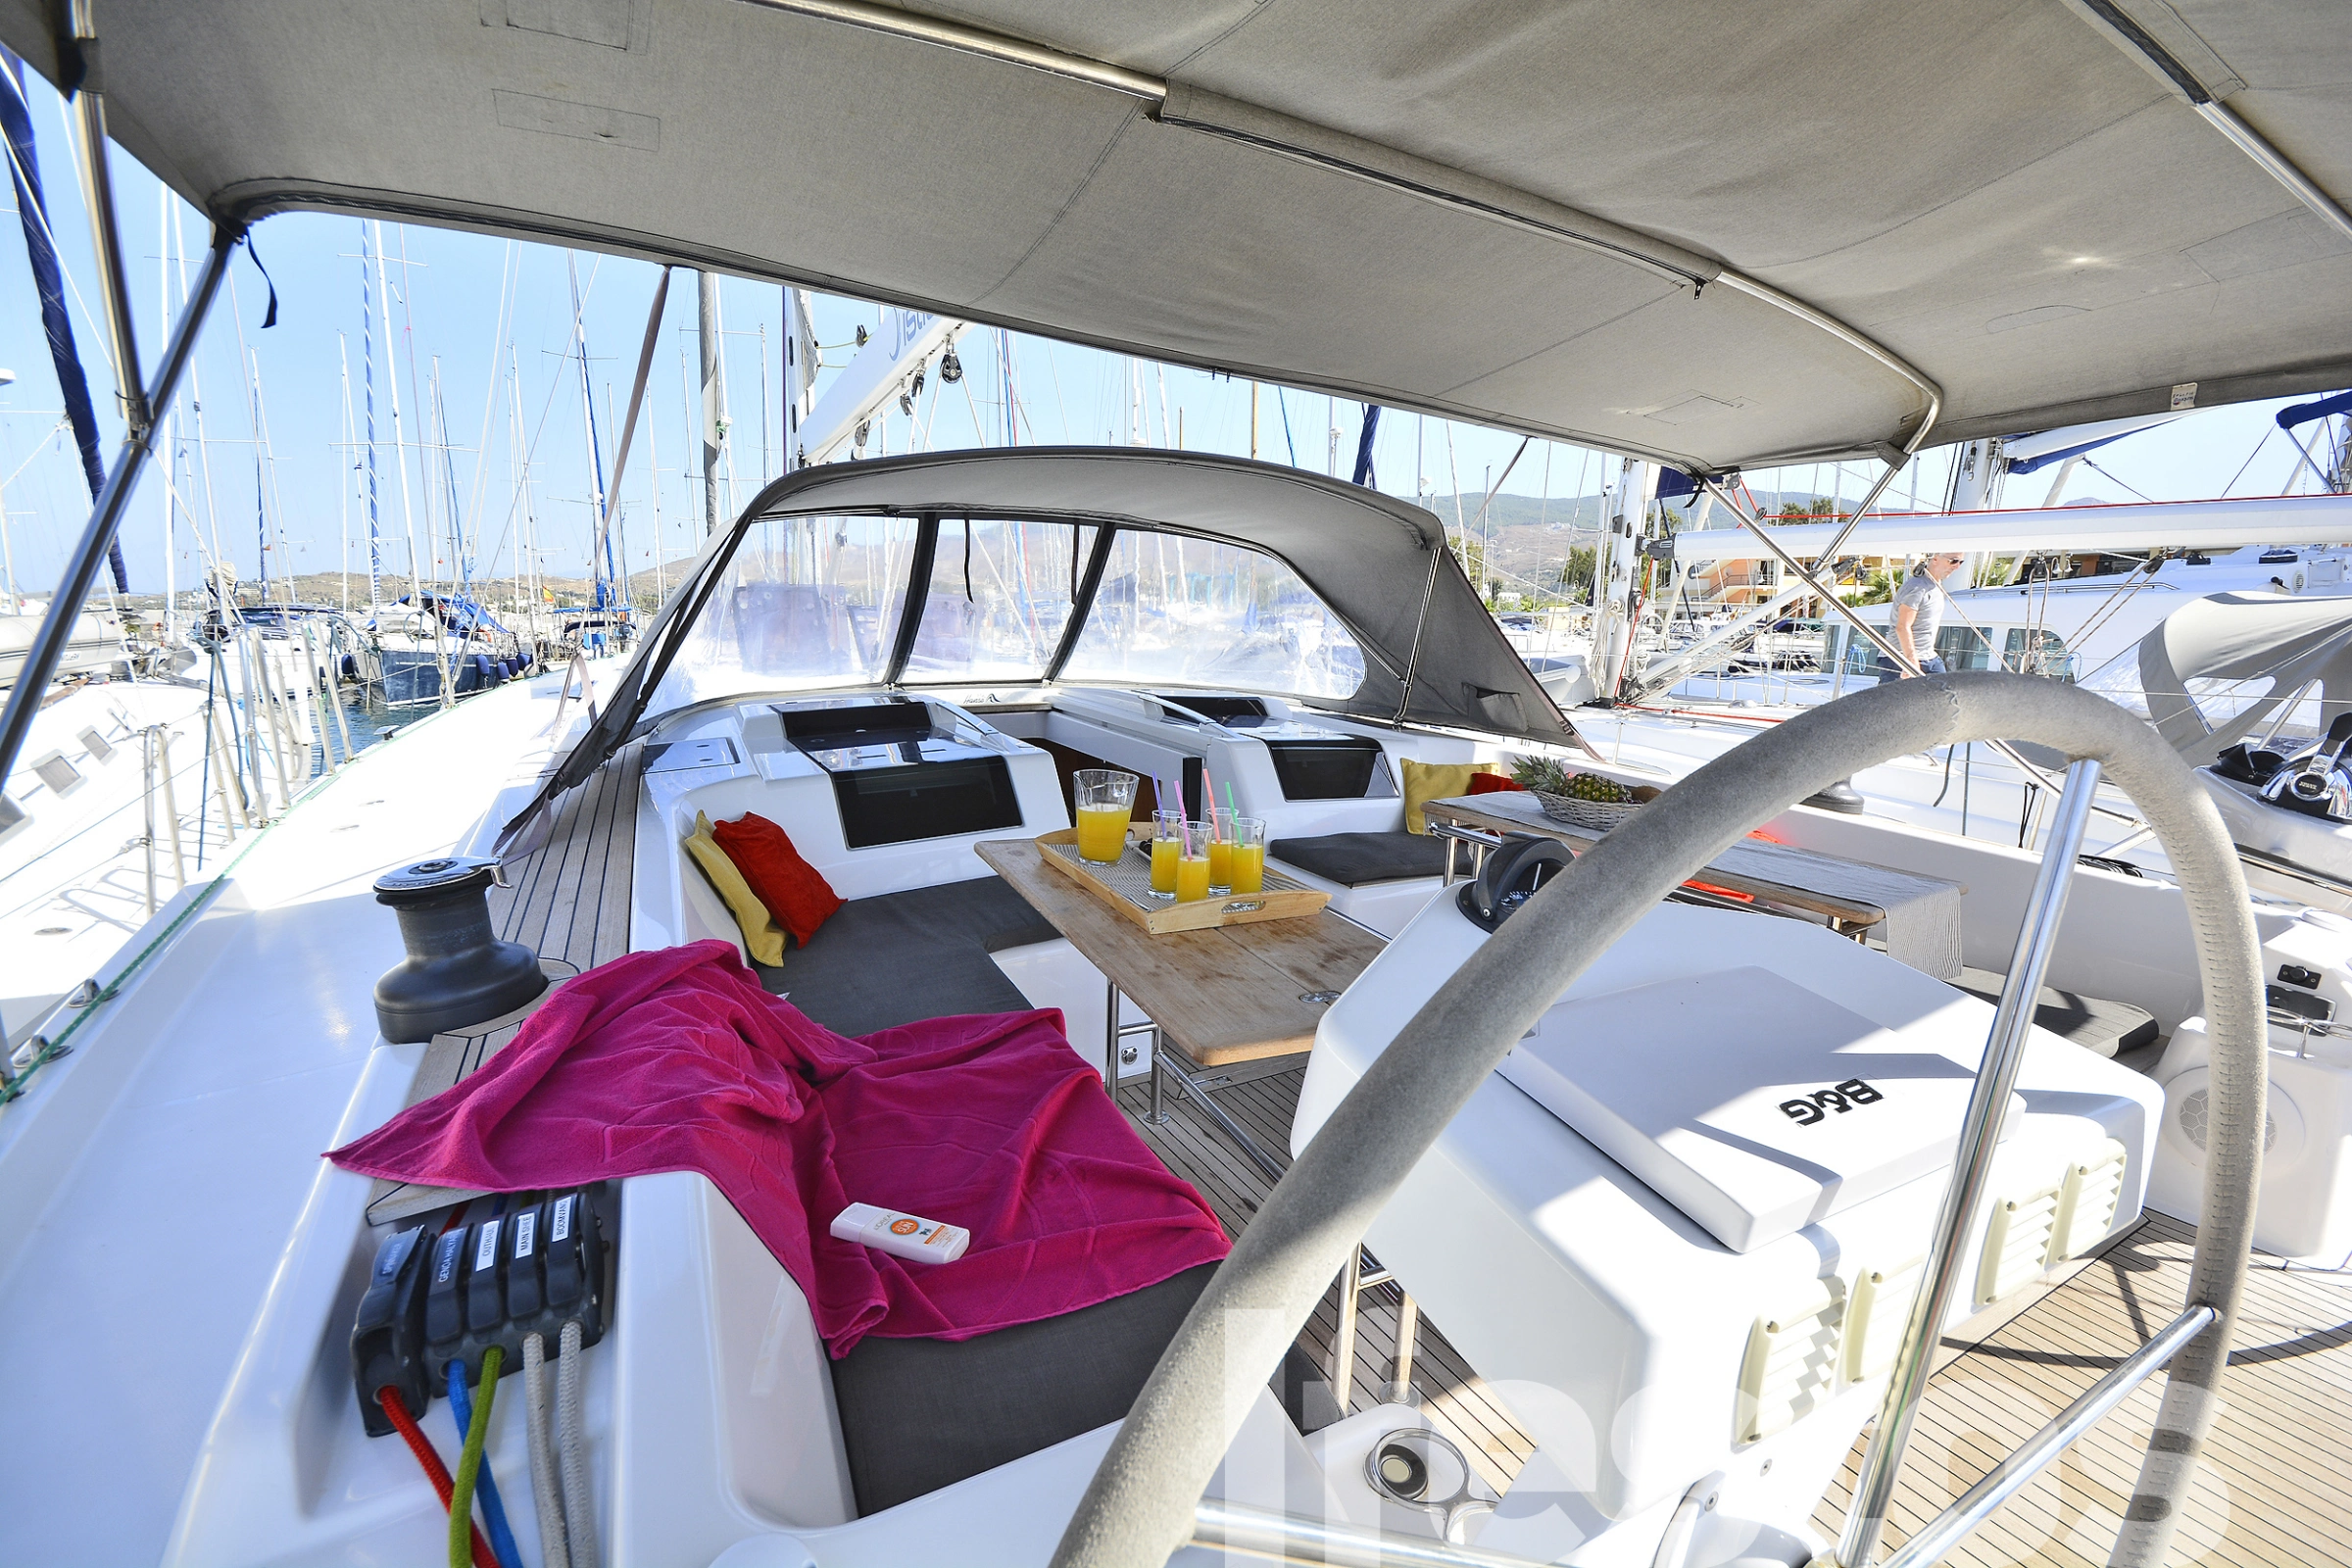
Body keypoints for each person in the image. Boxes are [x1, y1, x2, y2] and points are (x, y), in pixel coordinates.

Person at [1877, 552, 1966, 682]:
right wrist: (1910, 659)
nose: (1957, 566)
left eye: (1961, 562)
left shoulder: (1935, 585)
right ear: (1935, 559)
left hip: (1929, 657)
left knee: (1946, 691)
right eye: (1954, 561)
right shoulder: (1917, 587)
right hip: (1900, 657)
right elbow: (1902, 626)